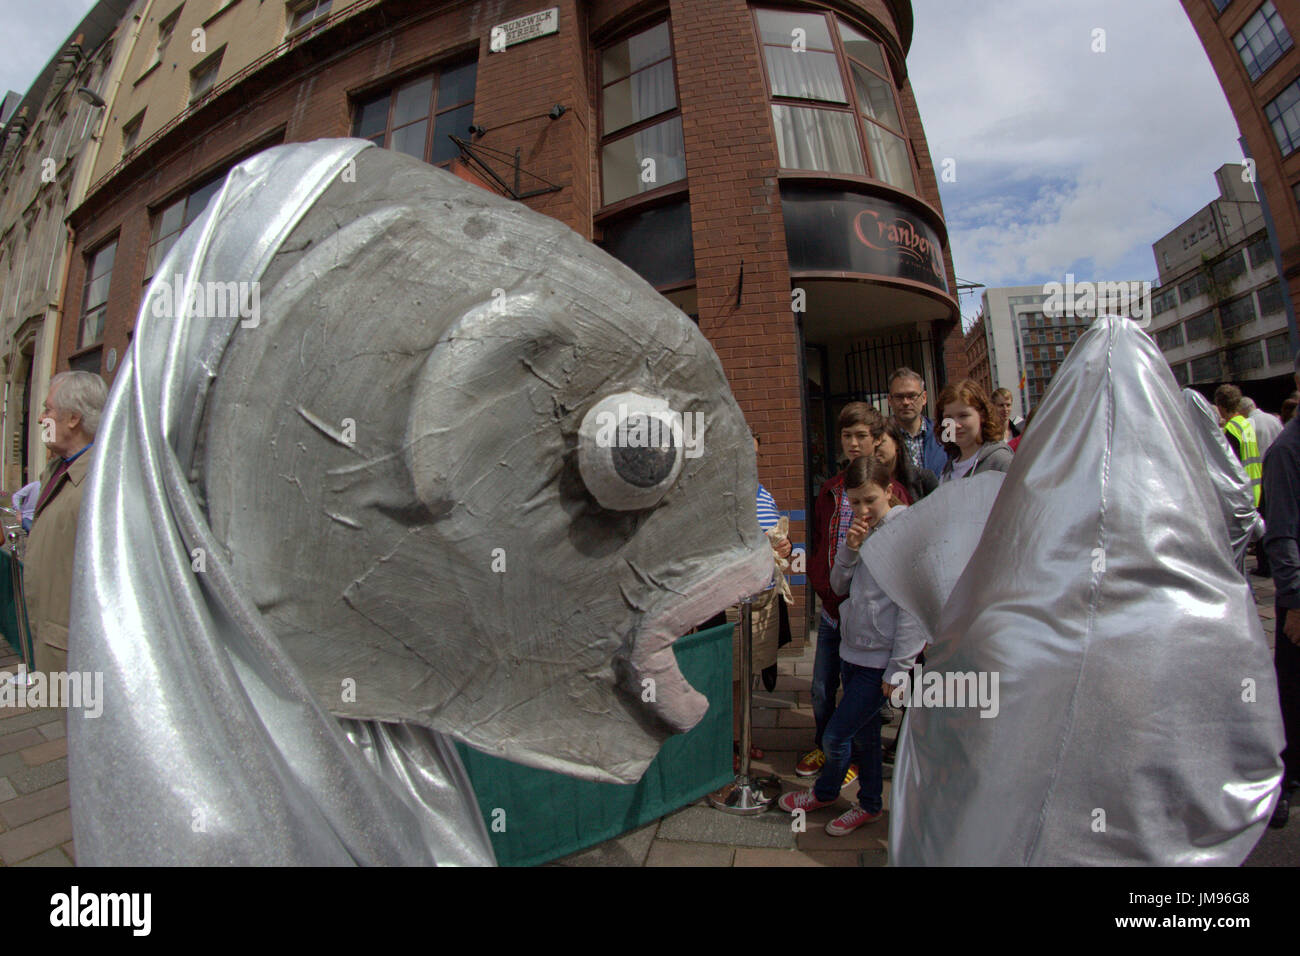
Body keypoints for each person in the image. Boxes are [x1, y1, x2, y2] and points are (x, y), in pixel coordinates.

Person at [778, 456, 926, 835]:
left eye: (870, 501)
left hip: (880, 660)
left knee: (835, 735)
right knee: (866, 736)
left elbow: (912, 609)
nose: (862, 509)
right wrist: (850, 548)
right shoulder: (865, 530)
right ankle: (870, 804)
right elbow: (840, 586)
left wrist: (899, 667)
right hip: (853, 651)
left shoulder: (904, 533)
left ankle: (827, 791)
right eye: (854, 502)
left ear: (890, 493)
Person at [801, 401, 882, 783]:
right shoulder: (831, 490)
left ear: (875, 439)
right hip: (833, 608)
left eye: (861, 436)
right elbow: (820, 541)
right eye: (847, 436)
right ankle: (825, 746)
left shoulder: (889, 490)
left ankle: (850, 755)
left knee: (856, 691)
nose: (853, 443)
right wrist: (822, 585)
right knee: (820, 687)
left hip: (866, 615)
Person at [25, 371, 108, 675]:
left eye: (48, 409)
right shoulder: (54, 470)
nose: (40, 419)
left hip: (81, 657)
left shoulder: (101, 483)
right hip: (53, 645)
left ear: (73, 418)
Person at [726, 433, 792, 769]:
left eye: (754, 454)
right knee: (730, 680)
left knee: (748, 677)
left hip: (763, 600)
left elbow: (778, 540)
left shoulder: (764, 494)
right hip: (732, 603)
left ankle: (743, 738)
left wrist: (783, 547)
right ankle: (729, 747)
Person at [1260, 353, 1300, 829]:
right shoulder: (1288, 449)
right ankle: (1283, 784)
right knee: (1291, 695)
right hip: (1297, 595)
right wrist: (1292, 601)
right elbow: (1283, 532)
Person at [935, 379, 1014, 482]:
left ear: (982, 415)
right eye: (948, 417)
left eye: (963, 416)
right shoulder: (948, 468)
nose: (955, 425)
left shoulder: (1001, 462)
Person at [887, 367, 947, 476]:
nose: (905, 402)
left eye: (911, 396)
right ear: (889, 400)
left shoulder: (943, 435)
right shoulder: (881, 438)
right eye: (899, 397)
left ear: (924, 398)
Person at [1215, 384, 1261, 507]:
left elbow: (1231, 465)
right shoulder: (1246, 424)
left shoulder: (1230, 429)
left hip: (1244, 493)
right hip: (1257, 488)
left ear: (1220, 407)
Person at [871, 418, 936, 504]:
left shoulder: (923, 478)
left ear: (897, 443)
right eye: (871, 443)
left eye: (881, 443)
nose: (875, 448)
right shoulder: (868, 481)